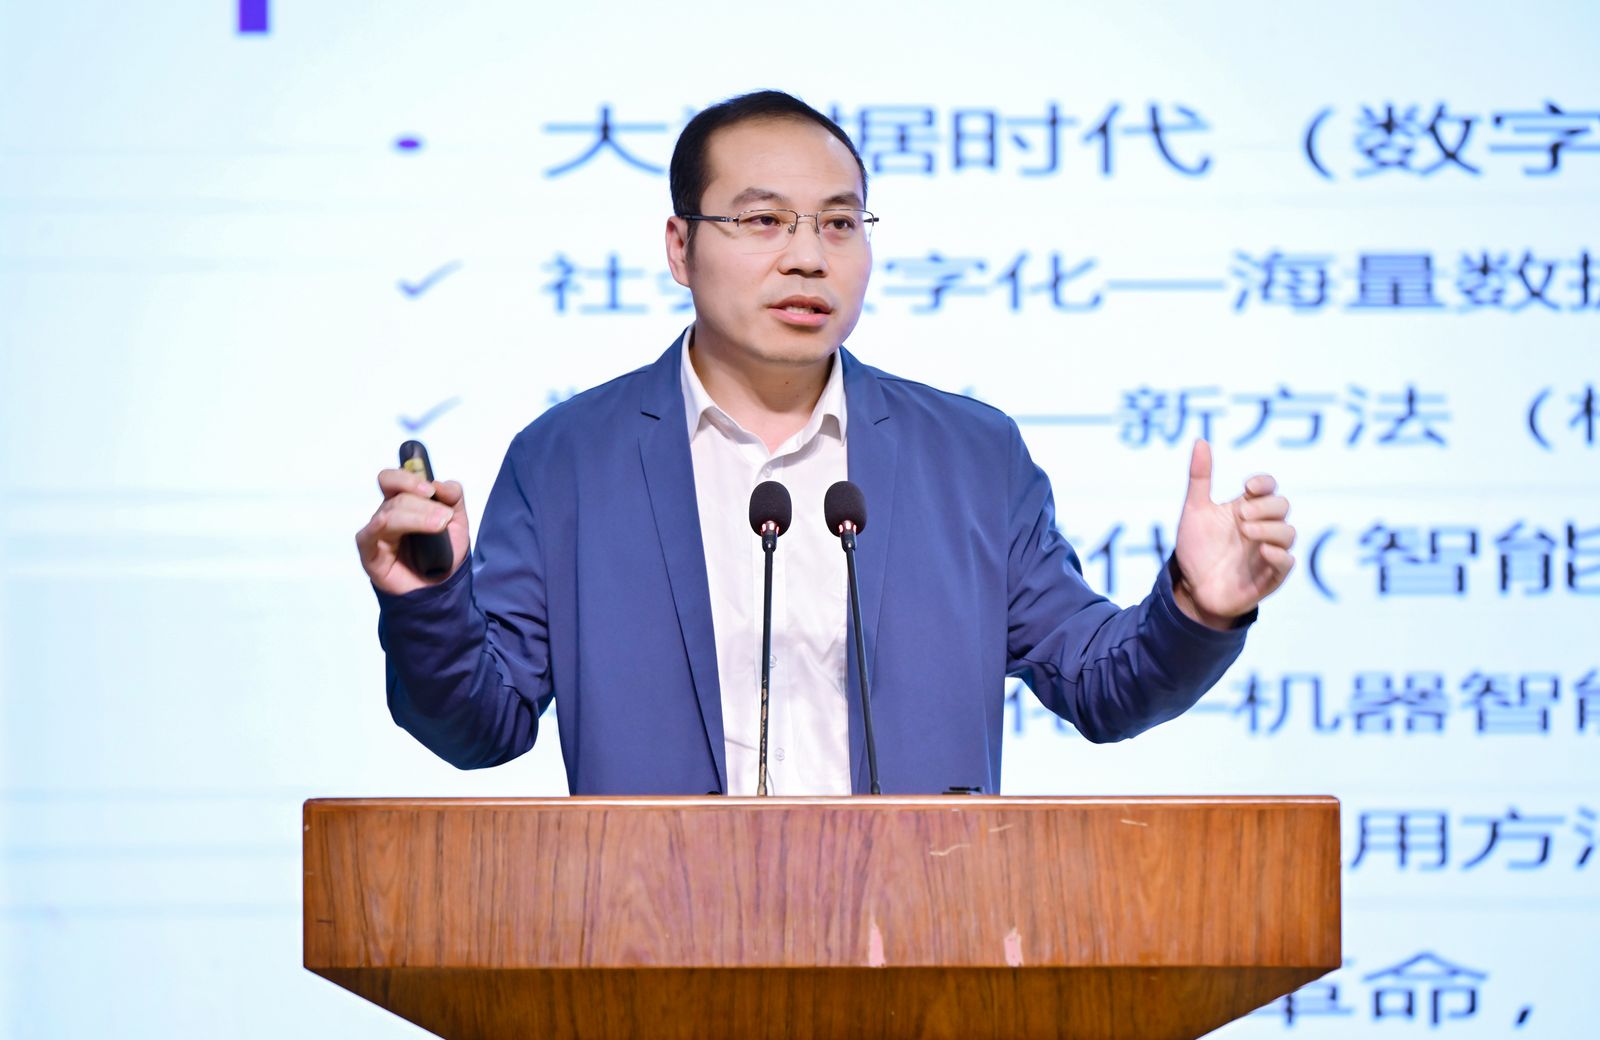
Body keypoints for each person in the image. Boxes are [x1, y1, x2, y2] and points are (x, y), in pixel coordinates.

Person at [356, 91, 1296, 796]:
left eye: (840, 223)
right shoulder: (568, 461)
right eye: (763, 220)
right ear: (680, 247)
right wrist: (425, 600)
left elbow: (1100, 684)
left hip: (922, 947)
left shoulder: (973, 459)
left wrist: (1197, 605)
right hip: (654, 945)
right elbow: (482, 724)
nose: (808, 255)